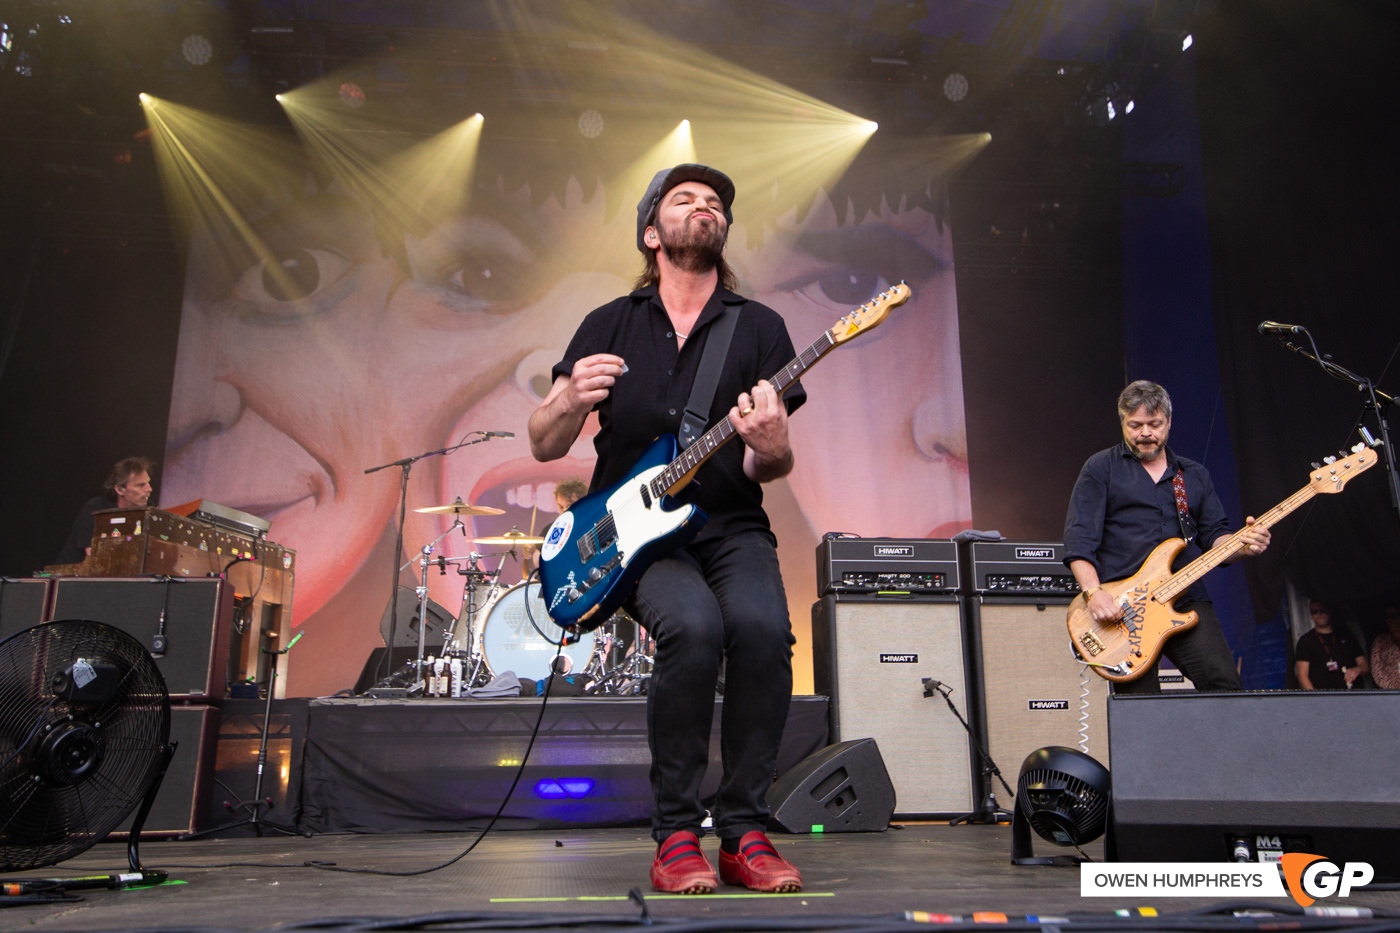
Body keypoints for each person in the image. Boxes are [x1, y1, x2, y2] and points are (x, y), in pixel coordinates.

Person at [528, 164, 804, 894]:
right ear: (653, 232)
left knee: (762, 630)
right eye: (685, 199)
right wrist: (567, 401)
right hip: (635, 540)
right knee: (693, 627)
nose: (704, 207)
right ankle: (677, 834)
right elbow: (544, 442)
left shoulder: (760, 328)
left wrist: (772, 443)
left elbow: (769, 463)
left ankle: (744, 832)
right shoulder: (609, 322)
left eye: (715, 202)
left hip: (732, 524)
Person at [1063, 380, 1272, 693]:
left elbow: (1216, 536)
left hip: (1184, 595)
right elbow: (1080, 540)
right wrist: (1094, 594)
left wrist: (1243, 546)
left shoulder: (1193, 475)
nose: (1145, 433)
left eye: (1154, 424)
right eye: (1135, 425)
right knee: (1139, 707)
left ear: (1169, 422)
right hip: (1123, 608)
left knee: (1224, 686)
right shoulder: (1100, 468)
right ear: (1123, 422)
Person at [55, 456, 157, 564]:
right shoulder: (96, 509)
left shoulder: (148, 513)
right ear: (120, 489)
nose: (149, 489)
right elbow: (93, 554)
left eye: (148, 483)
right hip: (75, 576)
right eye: (141, 485)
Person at [1295, 601, 1369, 690]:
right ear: (1311, 615)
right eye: (1314, 611)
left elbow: (1364, 666)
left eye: (1323, 610)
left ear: (1330, 611)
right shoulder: (1305, 641)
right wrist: (1314, 698)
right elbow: (1303, 675)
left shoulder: (1346, 635)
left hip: (1351, 695)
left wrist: (1357, 670)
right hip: (1323, 698)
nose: (1319, 614)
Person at [1369, 603, 1400, 689]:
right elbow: (1377, 671)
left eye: (1393, 616)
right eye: (1387, 617)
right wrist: (1393, 687)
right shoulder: (1380, 641)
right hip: (1389, 694)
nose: (1389, 620)